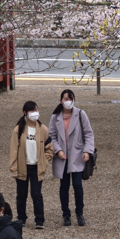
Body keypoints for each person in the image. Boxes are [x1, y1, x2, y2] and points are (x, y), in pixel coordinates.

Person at [49, 89, 94, 226]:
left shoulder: (81, 114)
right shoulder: (55, 117)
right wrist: (58, 150)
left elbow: (89, 134)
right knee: (64, 186)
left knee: (77, 185)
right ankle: (65, 214)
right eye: (65, 99)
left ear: (74, 100)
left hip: (77, 155)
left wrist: (87, 151)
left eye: (70, 99)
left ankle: (79, 213)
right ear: (60, 101)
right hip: (62, 157)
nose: (68, 101)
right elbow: (52, 136)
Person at [10, 101, 54, 229]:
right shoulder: (18, 130)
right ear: (25, 113)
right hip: (22, 166)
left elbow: (49, 148)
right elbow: (13, 150)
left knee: (37, 194)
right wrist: (13, 169)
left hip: (36, 167)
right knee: (21, 195)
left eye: (36, 110)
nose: (35, 113)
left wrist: (44, 161)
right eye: (32, 111)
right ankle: (21, 218)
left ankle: (39, 220)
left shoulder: (43, 129)